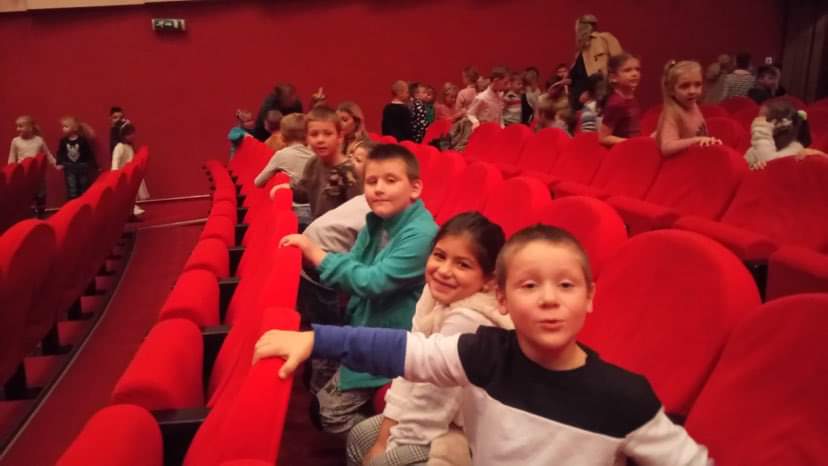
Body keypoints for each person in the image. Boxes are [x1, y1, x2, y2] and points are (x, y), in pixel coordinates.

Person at [254, 225, 713, 466]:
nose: (549, 299)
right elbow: (408, 351)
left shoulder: (625, 397)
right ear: (502, 299)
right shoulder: (485, 354)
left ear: (590, 297)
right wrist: (316, 338)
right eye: (529, 285)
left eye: (567, 285)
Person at [278, 143, 438, 436]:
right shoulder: (378, 221)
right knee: (319, 397)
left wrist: (318, 255)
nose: (379, 189)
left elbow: (372, 282)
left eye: (391, 180)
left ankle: (399, 443)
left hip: (394, 341)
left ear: (415, 188)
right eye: (371, 181)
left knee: (329, 414)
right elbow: (354, 263)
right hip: (366, 324)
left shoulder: (421, 235)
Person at [347, 212, 511, 466]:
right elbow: (409, 365)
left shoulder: (469, 319)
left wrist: (388, 448)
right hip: (445, 415)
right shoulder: (434, 294)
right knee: (362, 436)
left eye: (463, 265)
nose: (444, 271)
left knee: (386, 461)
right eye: (439, 256)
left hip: (474, 435)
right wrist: (383, 436)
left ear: (488, 281)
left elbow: (431, 405)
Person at [273, 106, 362, 227]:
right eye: (314, 134)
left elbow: (357, 215)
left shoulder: (349, 172)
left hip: (340, 233)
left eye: (328, 134)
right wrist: (288, 188)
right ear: (306, 138)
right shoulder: (313, 163)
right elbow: (304, 193)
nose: (320, 140)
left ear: (340, 137)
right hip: (318, 226)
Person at [656, 60, 723, 157]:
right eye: (684, 86)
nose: (692, 91)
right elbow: (667, 147)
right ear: (671, 90)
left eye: (698, 84)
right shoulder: (672, 112)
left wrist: (710, 141)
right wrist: (697, 140)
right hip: (680, 164)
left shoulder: (692, 104)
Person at [744, 101, 827, 170]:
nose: (756, 122)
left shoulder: (796, 147)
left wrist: (761, 130)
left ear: (780, 124)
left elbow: (772, 167)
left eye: (762, 120)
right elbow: (744, 169)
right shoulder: (757, 147)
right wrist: (754, 168)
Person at [569, 14, 622, 110]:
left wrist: (590, 92)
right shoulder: (580, 52)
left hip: (599, 95)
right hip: (579, 103)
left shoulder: (604, 39)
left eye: (578, 28)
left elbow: (619, 62)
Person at [8, 115, 56, 217]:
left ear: (30, 127)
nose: (18, 129)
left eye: (20, 126)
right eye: (17, 126)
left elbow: (48, 154)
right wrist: (10, 173)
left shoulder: (39, 140)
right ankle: (27, 216)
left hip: (37, 174)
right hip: (23, 175)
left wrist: (56, 164)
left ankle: (41, 215)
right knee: (26, 196)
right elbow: (12, 158)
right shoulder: (15, 141)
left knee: (40, 194)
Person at [254, 113, 313, 187]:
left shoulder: (280, 155)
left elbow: (258, 182)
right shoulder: (316, 154)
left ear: (282, 136)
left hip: (294, 193)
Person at [599, 52, 642, 146]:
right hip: (624, 151)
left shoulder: (632, 98)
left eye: (637, 69)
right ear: (613, 77)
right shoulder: (616, 102)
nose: (635, 74)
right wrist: (632, 143)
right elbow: (604, 137)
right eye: (627, 70)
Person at [111, 123, 150, 216]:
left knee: (131, 195)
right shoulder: (119, 147)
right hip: (122, 176)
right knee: (124, 196)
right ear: (124, 135)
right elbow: (115, 162)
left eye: (133, 133)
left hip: (130, 175)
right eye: (130, 134)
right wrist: (115, 175)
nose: (133, 136)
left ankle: (131, 211)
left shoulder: (129, 147)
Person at [56, 116, 96, 200]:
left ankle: (84, 201)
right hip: (69, 167)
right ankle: (73, 202)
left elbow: (88, 153)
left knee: (84, 185)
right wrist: (59, 163)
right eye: (63, 127)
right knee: (72, 187)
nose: (63, 129)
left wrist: (94, 165)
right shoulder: (63, 141)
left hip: (82, 166)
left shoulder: (82, 140)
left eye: (66, 126)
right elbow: (60, 153)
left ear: (74, 128)